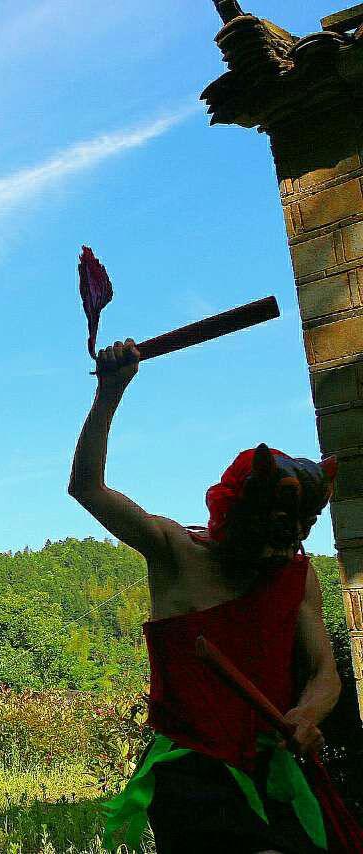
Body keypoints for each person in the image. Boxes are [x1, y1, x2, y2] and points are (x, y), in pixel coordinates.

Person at [70, 339, 342, 853]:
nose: (279, 552)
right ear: (236, 516)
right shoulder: (174, 551)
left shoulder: (298, 577)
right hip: (193, 775)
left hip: (275, 769)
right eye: (269, 535)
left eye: (294, 536)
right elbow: (89, 488)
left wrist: (307, 714)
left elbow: (324, 673)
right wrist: (109, 393)